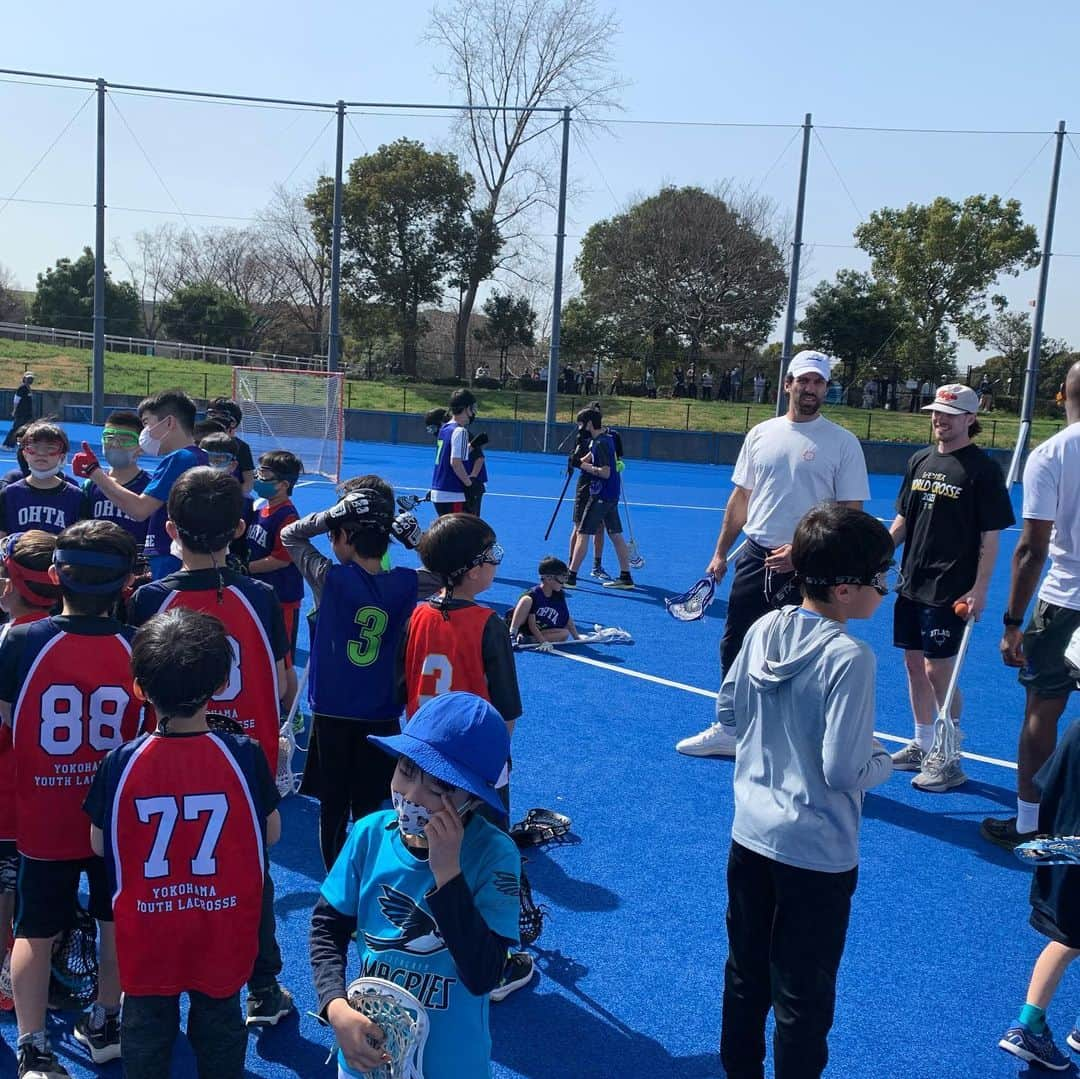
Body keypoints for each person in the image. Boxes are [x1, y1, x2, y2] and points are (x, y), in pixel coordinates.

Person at [718, 503, 894, 1079]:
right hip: (816, 852)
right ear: (845, 590)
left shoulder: (765, 627)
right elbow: (845, 770)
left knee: (746, 973)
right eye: (879, 579)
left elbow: (728, 709)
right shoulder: (850, 658)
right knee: (803, 994)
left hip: (750, 832)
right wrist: (884, 763)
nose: (885, 589)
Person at [127, 467, 293, 1027]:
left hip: (172, 754)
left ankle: (156, 988)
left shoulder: (150, 599)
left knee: (169, 873)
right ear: (240, 529)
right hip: (245, 761)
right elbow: (284, 681)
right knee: (251, 875)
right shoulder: (261, 596)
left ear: (171, 527)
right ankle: (262, 987)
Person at [85, 608, 281, 1079]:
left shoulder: (121, 761)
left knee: (147, 1031)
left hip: (149, 928)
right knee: (219, 1027)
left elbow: (98, 842)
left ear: (139, 687)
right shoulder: (243, 754)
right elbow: (270, 833)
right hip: (221, 923)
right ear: (218, 687)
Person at [309, 692, 522, 1079]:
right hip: (366, 1059)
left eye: (440, 787)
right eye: (407, 770)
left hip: (452, 1066)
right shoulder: (369, 834)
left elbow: (485, 975)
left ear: (473, 799)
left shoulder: (494, 855)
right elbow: (327, 927)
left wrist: (448, 876)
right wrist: (335, 1007)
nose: (411, 796)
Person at [0, 520, 143, 1076]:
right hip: (112, 812)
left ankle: (33, 1046)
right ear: (126, 585)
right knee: (113, 920)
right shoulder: (136, 644)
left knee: (34, 927)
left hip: (44, 812)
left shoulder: (22, 641)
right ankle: (107, 1019)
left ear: (56, 575)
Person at [676, 351, 869, 757]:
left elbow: (851, 516)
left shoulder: (842, 443)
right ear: (788, 384)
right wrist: (720, 553)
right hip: (755, 557)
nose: (810, 388)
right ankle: (732, 727)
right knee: (737, 645)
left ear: (825, 388)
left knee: (807, 657)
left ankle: (806, 742)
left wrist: (802, 554)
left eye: (818, 382)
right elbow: (741, 497)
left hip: (812, 567)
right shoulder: (761, 434)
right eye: (804, 380)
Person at [402, 514, 534, 998]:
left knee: (423, 846)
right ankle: (491, 959)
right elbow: (507, 715)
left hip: (421, 759)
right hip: (473, 767)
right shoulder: (488, 625)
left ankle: (428, 929)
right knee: (486, 852)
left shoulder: (417, 613)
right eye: (490, 557)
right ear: (472, 569)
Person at [281, 477, 438, 870]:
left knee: (332, 802)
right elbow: (445, 573)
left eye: (336, 535)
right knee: (372, 802)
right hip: (381, 708)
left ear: (345, 535)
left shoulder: (329, 578)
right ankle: (369, 870)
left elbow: (290, 536)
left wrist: (329, 516)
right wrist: (416, 538)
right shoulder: (405, 582)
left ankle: (335, 874)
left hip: (333, 709)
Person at [888, 384, 1015, 792]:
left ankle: (949, 756)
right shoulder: (919, 459)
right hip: (912, 580)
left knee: (937, 669)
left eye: (950, 413)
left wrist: (980, 588)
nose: (939, 418)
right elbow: (903, 520)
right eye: (937, 411)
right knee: (912, 664)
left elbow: (991, 536)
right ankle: (923, 742)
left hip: (951, 587)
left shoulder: (983, 468)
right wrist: (876, 553)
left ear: (970, 419)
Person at [982, 360, 1080, 851]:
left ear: (1062, 396)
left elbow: (1031, 548)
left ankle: (1029, 821)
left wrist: (1012, 623)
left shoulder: (1053, 454)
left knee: (1043, 709)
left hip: (1066, 600)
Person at [0, 531, 59, 1013]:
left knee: (7, 882)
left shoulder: (15, 639)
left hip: (11, 789)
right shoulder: (69, 632)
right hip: (59, 789)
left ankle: (6, 972)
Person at [73, 388, 208, 580]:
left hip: (170, 557)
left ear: (169, 422)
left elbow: (139, 509)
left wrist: (94, 472)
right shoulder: (200, 457)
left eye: (147, 424)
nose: (145, 433)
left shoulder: (179, 458)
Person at [247, 450, 304, 708]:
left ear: (283, 484)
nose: (259, 478)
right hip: (264, 593)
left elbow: (281, 559)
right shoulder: (263, 508)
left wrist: (245, 568)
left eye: (265, 475)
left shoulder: (288, 516)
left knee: (285, 658)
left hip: (283, 598)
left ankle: (292, 711)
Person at [565, 408, 635, 591]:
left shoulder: (601, 443)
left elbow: (605, 472)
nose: (580, 427)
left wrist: (582, 465)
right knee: (615, 534)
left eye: (581, 423)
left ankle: (571, 576)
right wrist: (579, 459)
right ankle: (626, 576)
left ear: (588, 423)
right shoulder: (604, 439)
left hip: (601, 494)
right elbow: (590, 455)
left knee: (583, 533)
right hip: (611, 494)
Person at [78, 411, 151, 551]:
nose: (115, 444)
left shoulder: (151, 487)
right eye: (109, 437)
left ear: (141, 447)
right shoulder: (91, 485)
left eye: (125, 439)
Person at [0, 421, 83, 538]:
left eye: (50, 448)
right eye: (34, 447)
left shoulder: (76, 497)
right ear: (24, 454)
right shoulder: (9, 494)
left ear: (62, 456)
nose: (41, 454)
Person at [508, 556, 581, 649]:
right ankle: (512, 634)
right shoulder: (534, 595)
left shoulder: (559, 594)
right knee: (526, 600)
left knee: (564, 633)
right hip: (525, 626)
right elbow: (532, 624)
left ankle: (527, 639)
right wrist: (543, 641)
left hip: (538, 631)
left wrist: (576, 637)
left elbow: (566, 618)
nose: (563, 582)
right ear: (549, 578)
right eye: (562, 578)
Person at [431, 390, 482, 516]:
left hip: (439, 491)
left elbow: (450, 455)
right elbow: (456, 463)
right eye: (472, 408)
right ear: (466, 409)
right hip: (452, 493)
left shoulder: (445, 428)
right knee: (458, 534)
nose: (473, 412)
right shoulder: (460, 431)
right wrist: (469, 485)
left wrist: (472, 445)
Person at [206, 397, 256, 495]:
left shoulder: (241, 447)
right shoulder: (199, 442)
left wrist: (232, 498)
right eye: (212, 414)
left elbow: (248, 482)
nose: (214, 419)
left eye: (222, 415)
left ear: (233, 422)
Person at [3, 374, 34, 448]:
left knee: (26, 429)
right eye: (28, 378)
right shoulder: (22, 388)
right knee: (16, 428)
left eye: (31, 378)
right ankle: (6, 445)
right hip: (21, 413)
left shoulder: (28, 388)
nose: (30, 380)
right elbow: (16, 400)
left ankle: (18, 443)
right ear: (24, 379)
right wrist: (14, 410)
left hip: (28, 413)